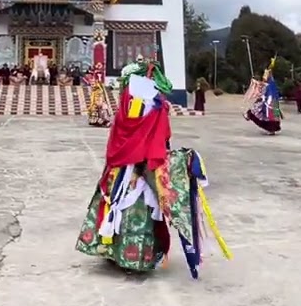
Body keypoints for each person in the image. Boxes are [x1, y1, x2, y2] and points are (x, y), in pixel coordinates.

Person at [75, 54, 231, 276]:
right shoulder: (151, 111)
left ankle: (117, 252)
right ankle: (129, 256)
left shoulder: (136, 111)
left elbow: (139, 140)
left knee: (122, 208)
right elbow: (161, 141)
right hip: (132, 169)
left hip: (125, 170)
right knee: (126, 210)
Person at [245, 61, 282, 135]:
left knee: (268, 115)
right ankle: (271, 129)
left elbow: (265, 92)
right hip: (272, 101)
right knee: (271, 115)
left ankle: (271, 129)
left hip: (270, 102)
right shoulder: (269, 84)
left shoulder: (269, 84)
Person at [84, 62, 112, 128]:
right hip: (96, 97)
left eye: (100, 66)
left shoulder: (98, 75)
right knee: (94, 108)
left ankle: (105, 120)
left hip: (99, 97)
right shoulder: (94, 74)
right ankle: (96, 120)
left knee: (102, 108)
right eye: (98, 65)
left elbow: (99, 83)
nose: (99, 67)